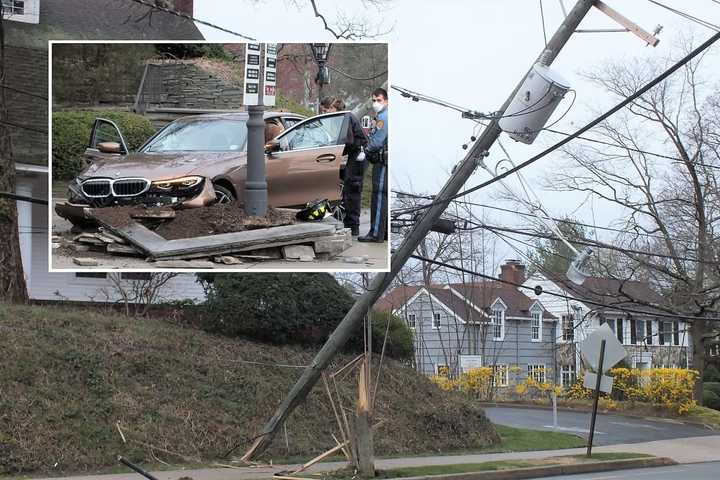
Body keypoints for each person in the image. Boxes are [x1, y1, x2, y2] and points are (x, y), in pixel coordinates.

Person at [320, 96, 368, 236]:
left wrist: (333, 151)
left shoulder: (345, 118)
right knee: (349, 188)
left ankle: (353, 225)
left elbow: (347, 141)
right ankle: (351, 223)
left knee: (352, 187)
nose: (325, 113)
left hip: (359, 155)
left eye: (326, 110)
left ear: (332, 108)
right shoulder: (343, 117)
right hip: (355, 154)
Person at [358, 87, 388, 243]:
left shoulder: (384, 117)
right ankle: (383, 232)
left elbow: (377, 141)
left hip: (382, 161)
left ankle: (376, 233)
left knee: (379, 195)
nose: (376, 103)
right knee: (384, 196)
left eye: (379, 100)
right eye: (374, 100)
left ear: (386, 101)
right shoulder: (382, 116)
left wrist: (367, 150)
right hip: (384, 160)